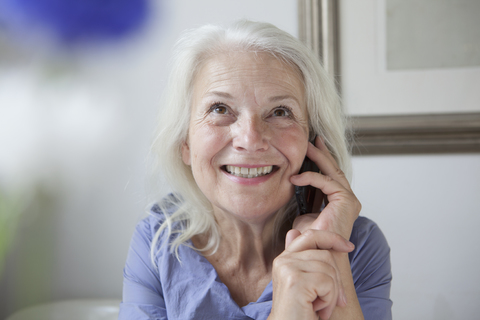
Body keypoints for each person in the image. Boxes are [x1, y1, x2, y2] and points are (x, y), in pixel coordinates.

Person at [119, 20, 392, 320]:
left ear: (313, 142)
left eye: (280, 112)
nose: (250, 140)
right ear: (185, 141)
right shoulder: (158, 238)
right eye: (220, 109)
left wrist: (330, 254)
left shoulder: (357, 243)